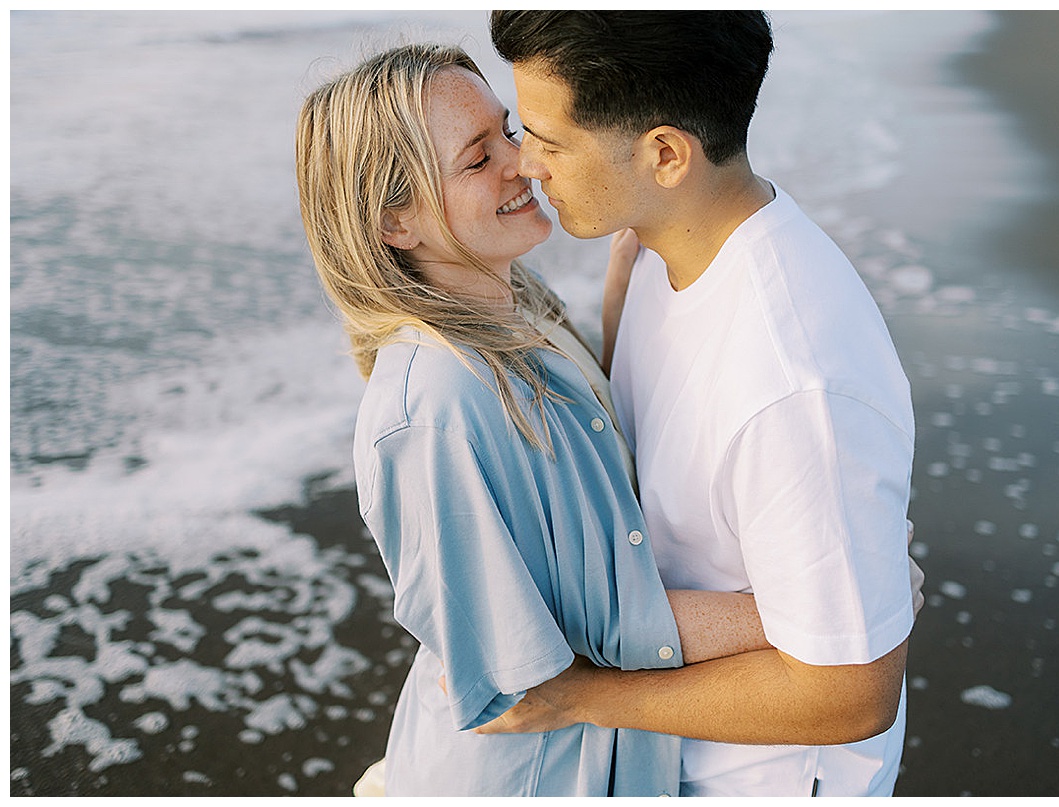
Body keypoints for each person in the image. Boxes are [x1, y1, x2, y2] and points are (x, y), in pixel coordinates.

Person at [294, 43, 778, 796]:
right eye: (476, 158)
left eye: (509, 132)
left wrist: (623, 310)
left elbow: (592, 504)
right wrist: (811, 607)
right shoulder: (432, 412)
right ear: (396, 220)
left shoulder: (521, 305)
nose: (523, 163)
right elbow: (534, 662)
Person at [479, 11, 917, 796]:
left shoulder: (794, 384)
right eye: (522, 129)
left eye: (550, 140)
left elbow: (852, 694)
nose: (524, 163)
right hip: (662, 757)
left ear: (666, 154)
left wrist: (580, 697)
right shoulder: (653, 246)